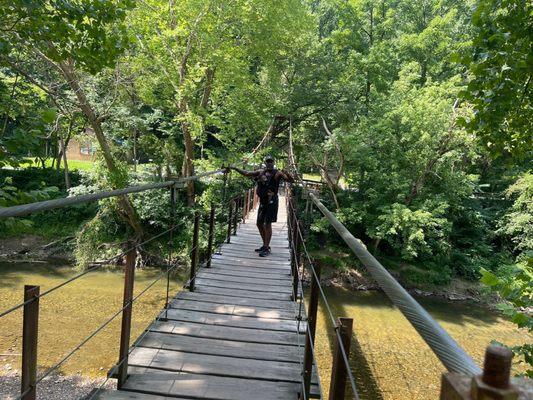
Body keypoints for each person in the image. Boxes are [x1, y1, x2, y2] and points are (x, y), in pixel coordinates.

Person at [228, 156, 294, 257]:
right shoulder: (260, 172)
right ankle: (265, 245)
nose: (269, 163)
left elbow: (291, 180)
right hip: (263, 201)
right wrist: (234, 168)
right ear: (265, 163)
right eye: (268, 162)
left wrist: (287, 173)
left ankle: (266, 247)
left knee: (267, 224)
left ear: (274, 162)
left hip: (272, 201)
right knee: (259, 223)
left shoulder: (278, 173)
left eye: (271, 161)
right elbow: (246, 173)